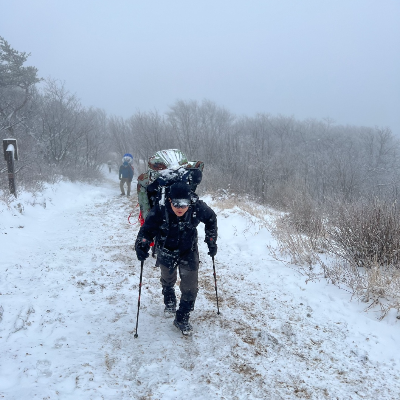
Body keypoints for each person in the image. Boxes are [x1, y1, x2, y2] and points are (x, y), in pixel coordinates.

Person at [134, 182, 218, 335]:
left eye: (184, 204)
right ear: (169, 200)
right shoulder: (160, 210)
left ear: (189, 201)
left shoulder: (197, 207)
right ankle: (169, 299)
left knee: (191, 287)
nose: (180, 208)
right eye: (176, 204)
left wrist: (211, 240)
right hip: (166, 249)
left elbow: (211, 218)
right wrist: (142, 245)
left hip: (188, 250)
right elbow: (146, 230)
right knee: (168, 278)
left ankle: (182, 318)